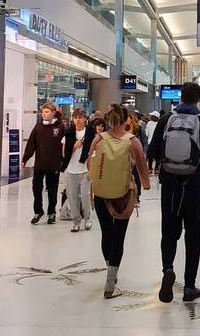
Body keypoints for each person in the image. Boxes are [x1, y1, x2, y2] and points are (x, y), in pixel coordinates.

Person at [148, 82, 200, 303]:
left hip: (170, 184)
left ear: (180, 97)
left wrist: (159, 166)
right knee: (193, 234)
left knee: (169, 231)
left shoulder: (166, 120)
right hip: (194, 183)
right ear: (198, 98)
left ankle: (167, 270)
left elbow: (153, 149)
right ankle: (189, 286)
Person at [86, 104, 151, 299]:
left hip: (100, 194)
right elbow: (141, 166)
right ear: (126, 120)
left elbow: (90, 164)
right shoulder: (132, 141)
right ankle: (110, 282)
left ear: (107, 120)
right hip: (123, 195)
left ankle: (110, 273)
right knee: (119, 235)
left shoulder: (98, 139)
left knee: (106, 232)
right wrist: (146, 184)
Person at [21, 102, 67, 225]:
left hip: (54, 165)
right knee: (36, 188)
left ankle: (51, 212)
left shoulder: (61, 127)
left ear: (53, 113)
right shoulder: (38, 127)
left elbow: (65, 146)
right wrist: (25, 158)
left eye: (47, 112)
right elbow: (31, 144)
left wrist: (64, 162)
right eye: (43, 112)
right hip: (40, 164)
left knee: (52, 189)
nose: (44, 114)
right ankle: (38, 211)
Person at [62, 108, 96, 233]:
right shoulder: (69, 133)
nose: (78, 120)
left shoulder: (90, 133)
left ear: (85, 119)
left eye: (80, 117)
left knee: (85, 196)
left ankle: (87, 218)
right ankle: (76, 221)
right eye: (75, 117)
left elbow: (94, 151)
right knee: (72, 196)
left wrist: (91, 168)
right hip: (71, 169)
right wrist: (74, 146)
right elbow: (64, 153)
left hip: (85, 169)